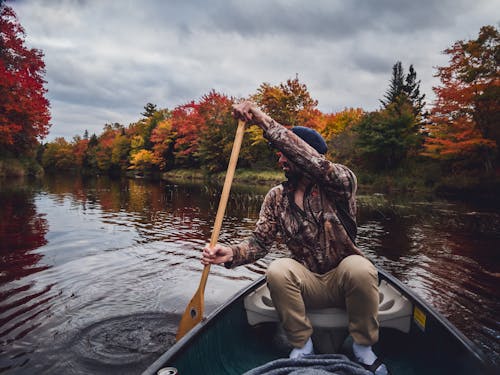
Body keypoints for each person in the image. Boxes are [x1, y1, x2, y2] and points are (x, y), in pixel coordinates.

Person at [201, 101, 388, 375]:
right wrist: (231, 254)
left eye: (284, 154)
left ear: (304, 155)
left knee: (360, 267)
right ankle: (302, 344)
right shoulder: (276, 197)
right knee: (278, 268)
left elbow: (309, 159)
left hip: (343, 280)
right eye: (279, 155)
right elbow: (260, 242)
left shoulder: (341, 183)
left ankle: (363, 347)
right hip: (307, 284)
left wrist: (260, 116)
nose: (280, 160)